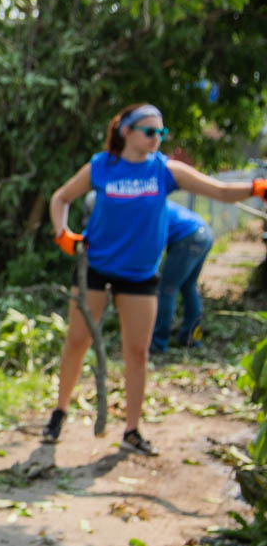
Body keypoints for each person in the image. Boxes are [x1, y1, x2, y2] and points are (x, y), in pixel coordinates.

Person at [42, 103, 267, 455]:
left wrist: (255, 187)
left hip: (140, 275)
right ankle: (59, 413)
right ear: (126, 132)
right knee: (77, 341)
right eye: (149, 131)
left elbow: (220, 193)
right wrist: (62, 234)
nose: (156, 139)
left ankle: (131, 430)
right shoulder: (102, 166)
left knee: (137, 353)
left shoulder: (165, 171)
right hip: (96, 268)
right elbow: (61, 198)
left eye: (161, 133)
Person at [151, 201, 214, 353]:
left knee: (166, 289)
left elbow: (153, 241)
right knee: (188, 286)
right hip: (204, 233)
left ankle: (158, 343)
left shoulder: (145, 209)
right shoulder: (150, 200)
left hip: (188, 236)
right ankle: (191, 338)